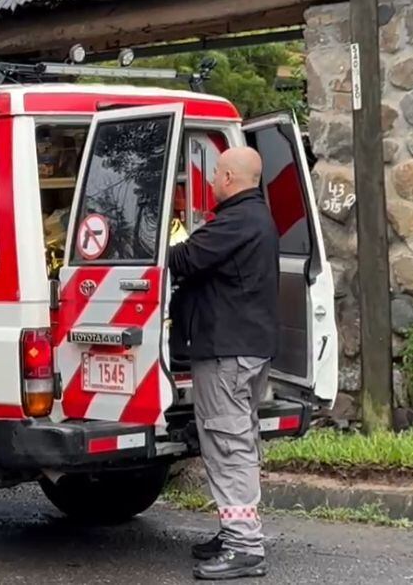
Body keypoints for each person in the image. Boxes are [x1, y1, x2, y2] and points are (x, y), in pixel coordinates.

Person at [167, 146, 279, 581]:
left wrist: (154, 238)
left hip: (227, 353)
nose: (212, 180)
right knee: (238, 441)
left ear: (229, 178)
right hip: (247, 349)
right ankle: (234, 531)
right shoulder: (256, 217)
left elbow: (184, 259)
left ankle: (244, 546)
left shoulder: (236, 221)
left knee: (229, 447)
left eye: (215, 173)